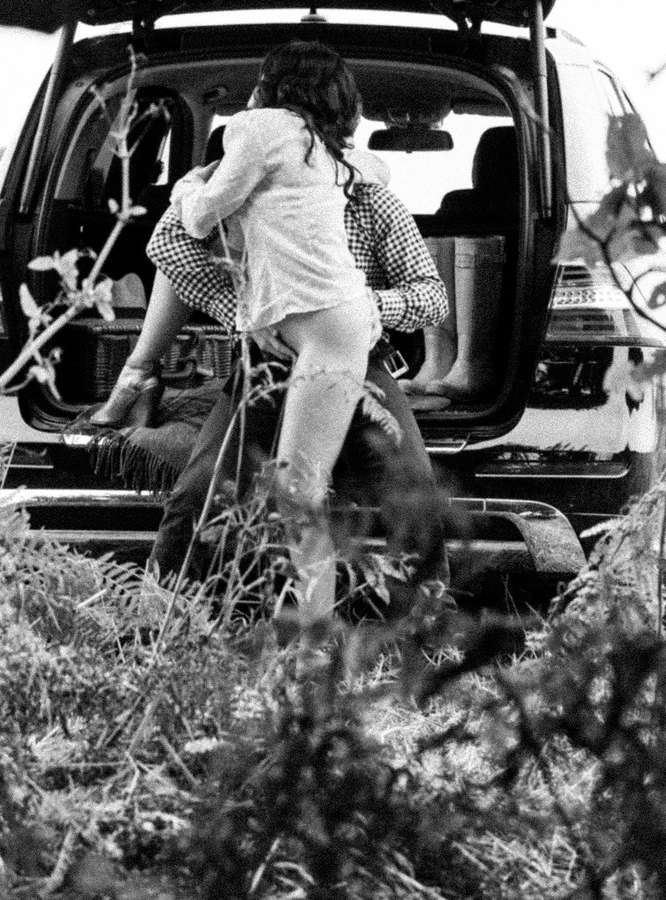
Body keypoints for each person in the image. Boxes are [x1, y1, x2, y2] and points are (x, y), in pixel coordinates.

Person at [91, 41, 450, 617]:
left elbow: (432, 298)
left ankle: (429, 627)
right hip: (263, 365)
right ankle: (156, 622)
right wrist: (248, 317)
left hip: (354, 357)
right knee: (200, 491)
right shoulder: (235, 181)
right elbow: (170, 250)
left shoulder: (372, 198)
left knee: (411, 488)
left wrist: (366, 305)